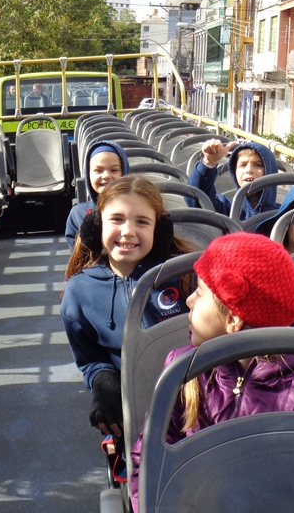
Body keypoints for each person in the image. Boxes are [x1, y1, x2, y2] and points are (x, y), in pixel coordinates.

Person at [128, 233, 294, 512]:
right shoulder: (183, 373)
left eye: (200, 292)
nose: (189, 300)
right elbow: (149, 461)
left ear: (233, 319)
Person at [61, 176, 197, 441]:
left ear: (159, 230)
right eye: (117, 219)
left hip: (197, 396)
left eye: (142, 222)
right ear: (96, 226)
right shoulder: (80, 291)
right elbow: (90, 359)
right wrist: (104, 383)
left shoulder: (185, 275)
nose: (127, 231)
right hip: (134, 409)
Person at [186, 138, 279, 220]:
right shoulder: (226, 208)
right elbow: (197, 200)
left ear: (270, 171)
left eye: (258, 165)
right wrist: (209, 162)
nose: (249, 170)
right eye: (242, 165)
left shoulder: (282, 215)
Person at [65, 140, 130, 249]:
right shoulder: (78, 213)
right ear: (88, 174)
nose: (106, 176)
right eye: (98, 170)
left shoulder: (138, 209)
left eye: (114, 170)